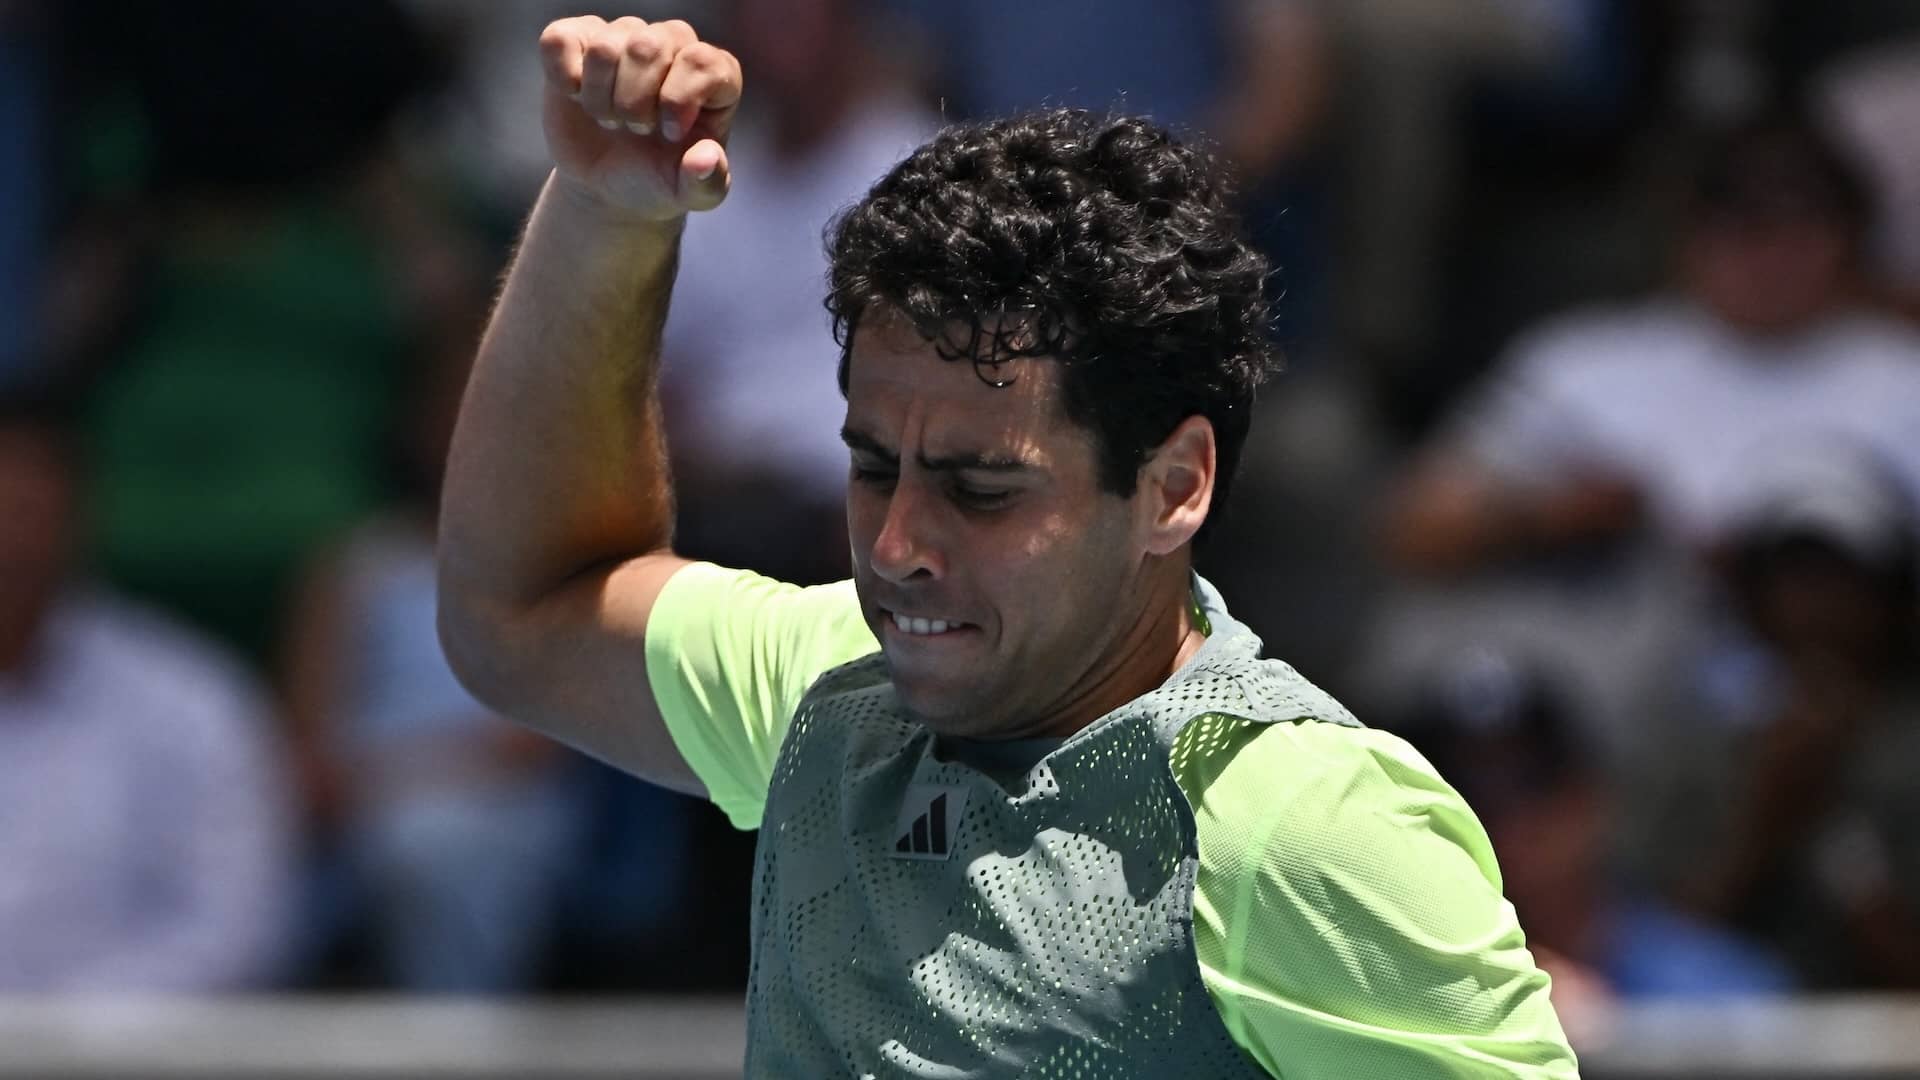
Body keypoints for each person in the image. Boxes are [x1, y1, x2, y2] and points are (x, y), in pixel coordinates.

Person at [437, 15, 1575, 1076]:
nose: (897, 545)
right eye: (875, 465)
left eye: (982, 491)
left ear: (1173, 488)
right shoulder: (831, 688)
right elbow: (524, 609)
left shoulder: (1306, 824)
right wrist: (604, 214)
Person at [0, 383, 295, 991]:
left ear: (81, 515)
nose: (13, 547)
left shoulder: (192, 700)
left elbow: (236, 926)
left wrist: (61, 1040)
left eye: (30, 513)